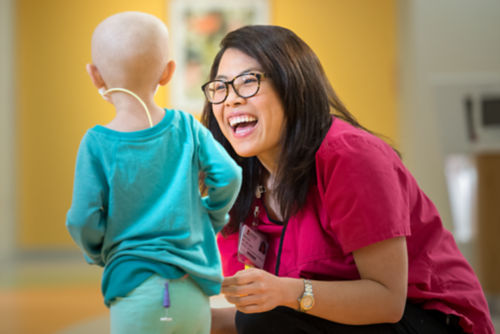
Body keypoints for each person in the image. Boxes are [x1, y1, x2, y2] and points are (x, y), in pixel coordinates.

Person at [200, 25, 494, 334]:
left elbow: (387, 300)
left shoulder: (350, 157)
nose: (230, 100)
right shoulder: (241, 177)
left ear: (293, 86)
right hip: (342, 323)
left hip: (431, 318)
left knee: (262, 318)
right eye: (220, 88)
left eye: (248, 82)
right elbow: (267, 314)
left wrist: (286, 292)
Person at [66, 11, 242, 334]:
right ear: (168, 72)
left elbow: (82, 218)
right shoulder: (188, 128)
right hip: (192, 289)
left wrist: (100, 251)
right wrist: (210, 218)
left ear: (95, 76)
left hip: (133, 289)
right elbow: (230, 175)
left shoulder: (96, 143)